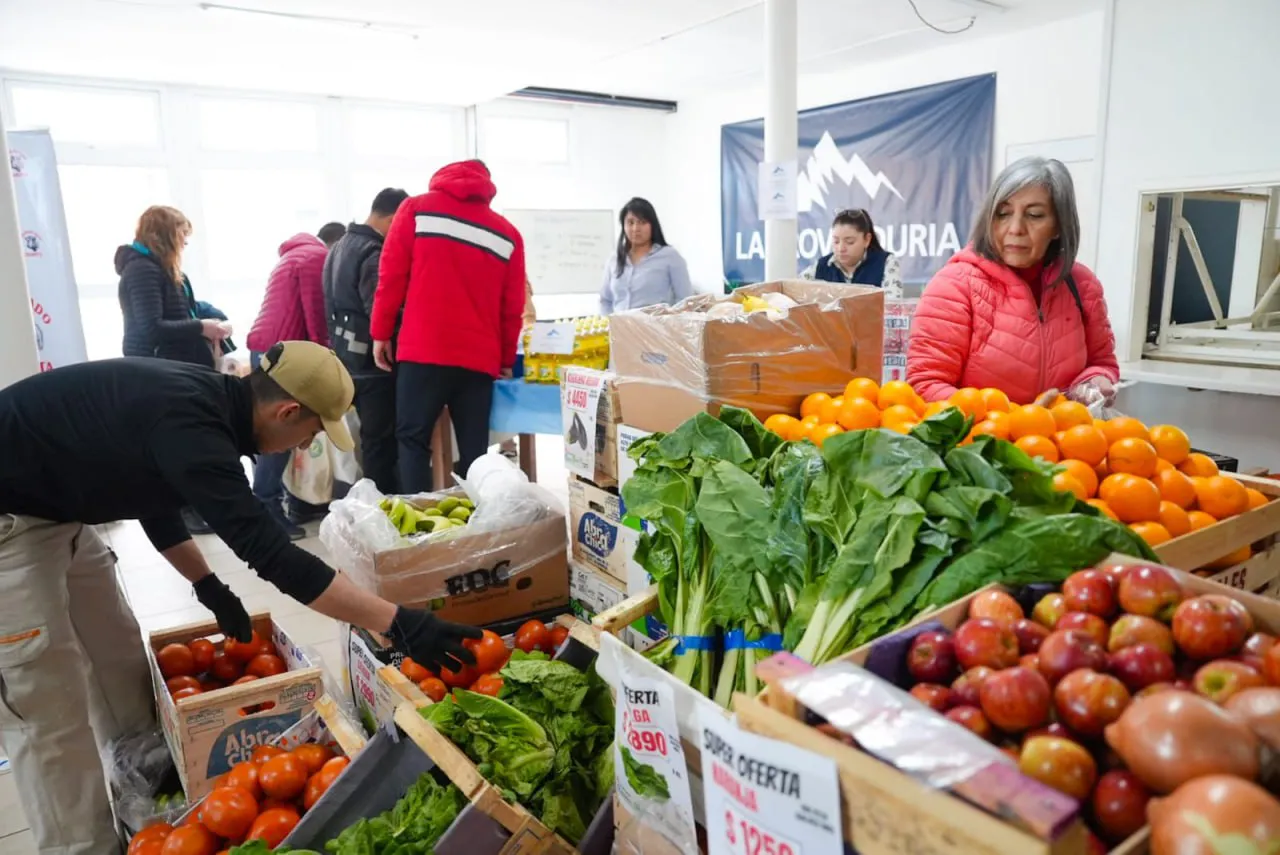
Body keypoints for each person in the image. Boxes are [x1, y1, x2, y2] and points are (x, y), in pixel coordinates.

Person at [0, 341, 481, 854]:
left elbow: (149, 493)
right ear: (287, 411)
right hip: (11, 523)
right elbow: (275, 558)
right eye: (312, 432)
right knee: (47, 706)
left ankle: (141, 784)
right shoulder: (194, 426)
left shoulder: (206, 402)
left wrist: (208, 585)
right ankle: (81, 847)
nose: (304, 445)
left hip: (60, 511)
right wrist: (401, 622)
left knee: (115, 652)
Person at [907, 156, 1119, 406]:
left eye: (1035, 215)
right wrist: (1013, 421)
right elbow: (925, 383)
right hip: (980, 442)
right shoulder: (955, 286)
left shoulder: (1082, 285)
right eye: (1003, 214)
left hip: (1061, 441)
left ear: (1059, 226)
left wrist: (1095, 383)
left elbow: (1102, 362)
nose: (1015, 228)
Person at [371, 161, 526, 492]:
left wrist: (380, 332)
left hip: (423, 350)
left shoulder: (416, 209)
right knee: (474, 453)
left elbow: (391, 275)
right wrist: (504, 359)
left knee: (412, 440)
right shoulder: (508, 234)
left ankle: (420, 529)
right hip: (478, 358)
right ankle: (476, 528)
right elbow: (512, 308)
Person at [118, 205, 230, 535]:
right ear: (165, 234)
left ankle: (192, 509)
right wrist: (201, 327)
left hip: (171, 368)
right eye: (182, 234)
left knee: (186, 439)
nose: (185, 242)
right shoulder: (143, 270)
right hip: (158, 370)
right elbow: (152, 327)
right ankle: (186, 511)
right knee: (179, 442)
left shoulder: (158, 268)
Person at [247, 227, 341, 538]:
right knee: (281, 431)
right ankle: (266, 508)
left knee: (273, 431)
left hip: (266, 348)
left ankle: (283, 502)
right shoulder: (317, 258)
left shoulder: (293, 255)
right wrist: (327, 358)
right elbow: (316, 316)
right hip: (282, 353)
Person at [324, 188, 410, 494]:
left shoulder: (339, 245)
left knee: (367, 440)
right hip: (374, 363)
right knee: (380, 442)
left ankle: (374, 503)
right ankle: (384, 507)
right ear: (393, 218)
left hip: (347, 359)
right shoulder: (373, 252)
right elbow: (379, 312)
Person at [600, 197, 693, 314]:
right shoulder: (614, 259)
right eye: (630, 222)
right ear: (623, 226)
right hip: (619, 330)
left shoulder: (670, 257)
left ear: (653, 225)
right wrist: (608, 324)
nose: (636, 228)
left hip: (656, 330)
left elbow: (685, 301)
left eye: (642, 222)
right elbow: (606, 300)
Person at [801, 208, 903, 298]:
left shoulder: (886, 263)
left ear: (867, 240)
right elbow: (795, 291)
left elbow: (892, 306)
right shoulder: (822, 266)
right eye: (836, 241)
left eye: (850, 242)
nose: (841, 248)